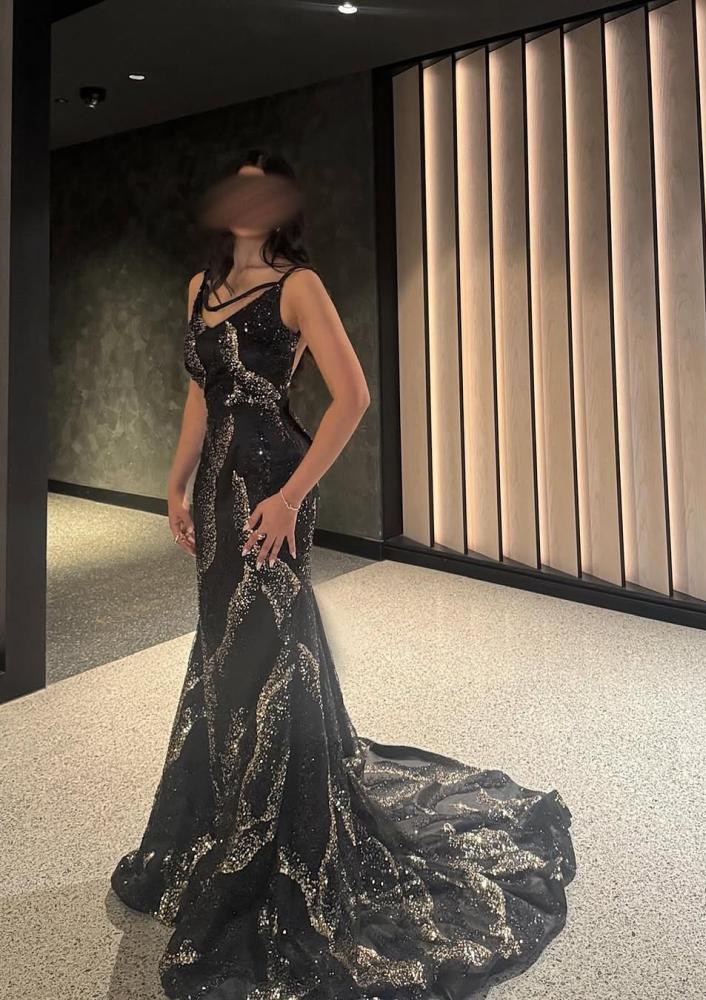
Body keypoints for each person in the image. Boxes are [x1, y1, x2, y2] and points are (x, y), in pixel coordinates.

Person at [110, 148, 576, 1000]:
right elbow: (199, 397)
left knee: (275, 645)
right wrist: (174, 483)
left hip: (272, 484)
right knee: (223, 648)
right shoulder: (198, 288)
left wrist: (290, 497)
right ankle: (229, 812)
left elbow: (352, 396)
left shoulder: (299, 286)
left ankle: (281, 832)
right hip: (217, 488)